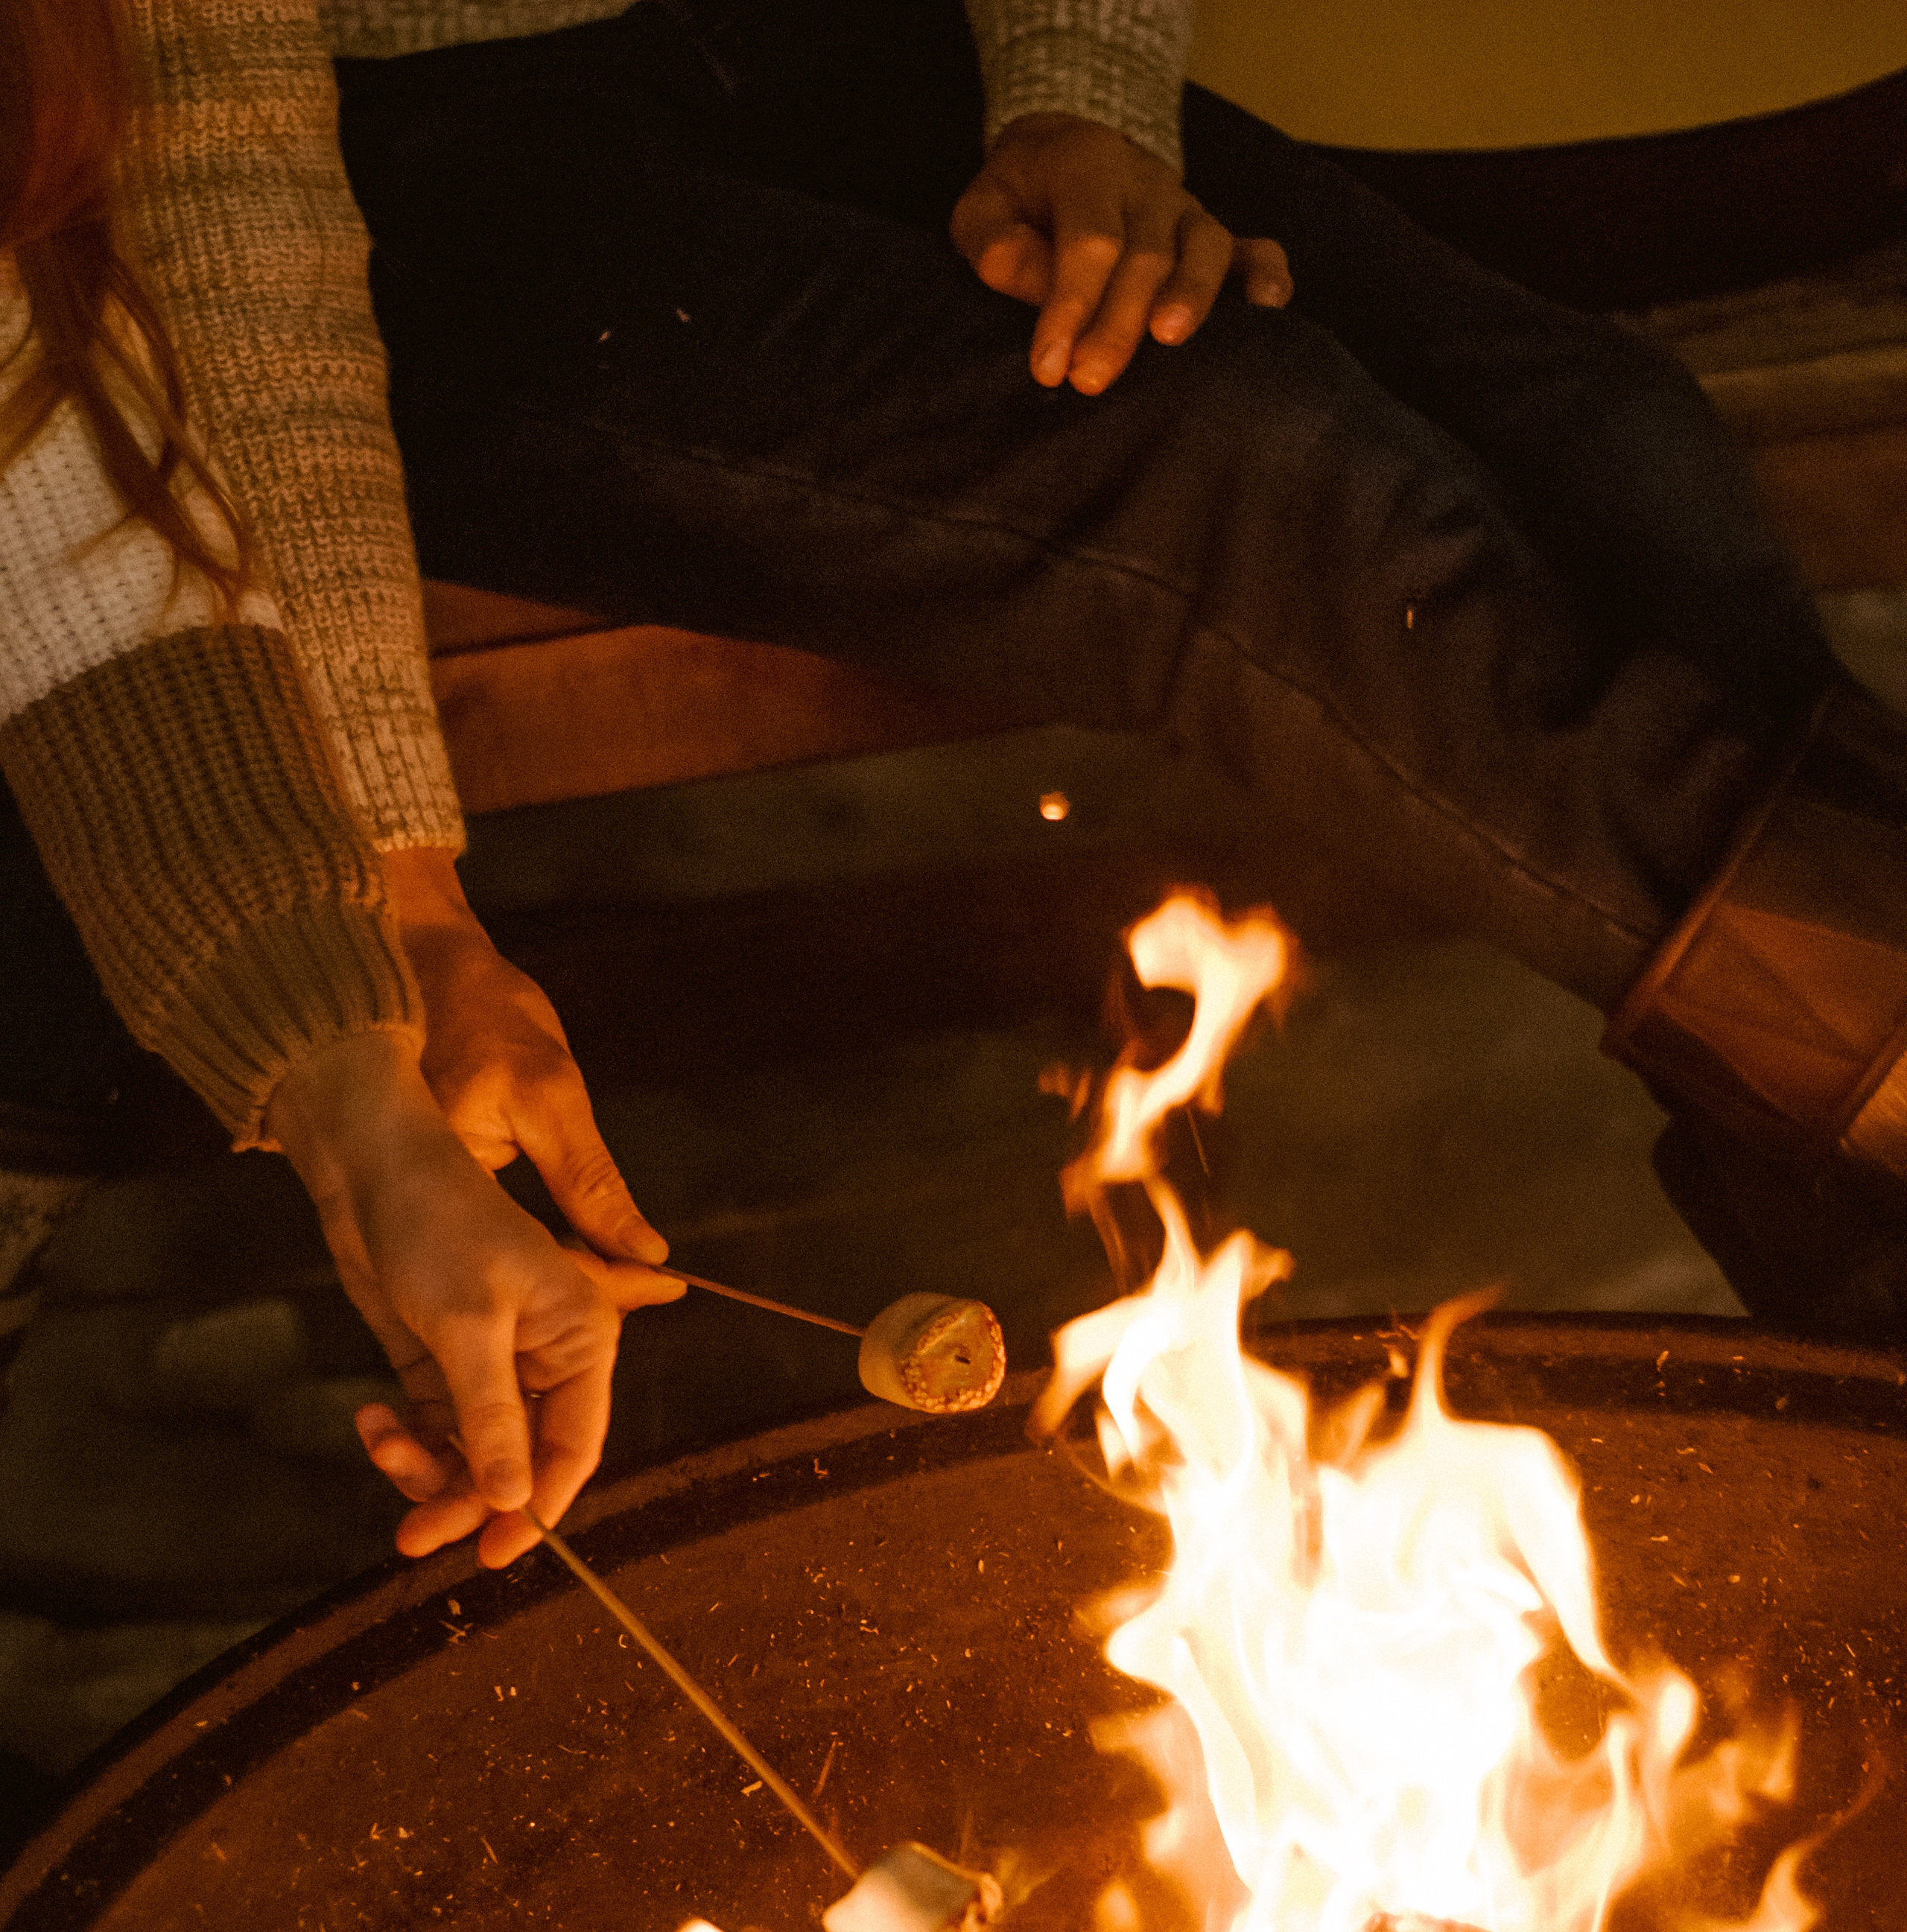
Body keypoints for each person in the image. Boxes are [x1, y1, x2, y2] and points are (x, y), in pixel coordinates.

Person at [4, 1, 1905, 1577]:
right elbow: (183, 219)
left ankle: (1868, 1396)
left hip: (838, 43)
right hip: (398, 165)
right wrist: (395, 890)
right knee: (1250, 463)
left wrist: (1083, 102)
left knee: (1611, 438)